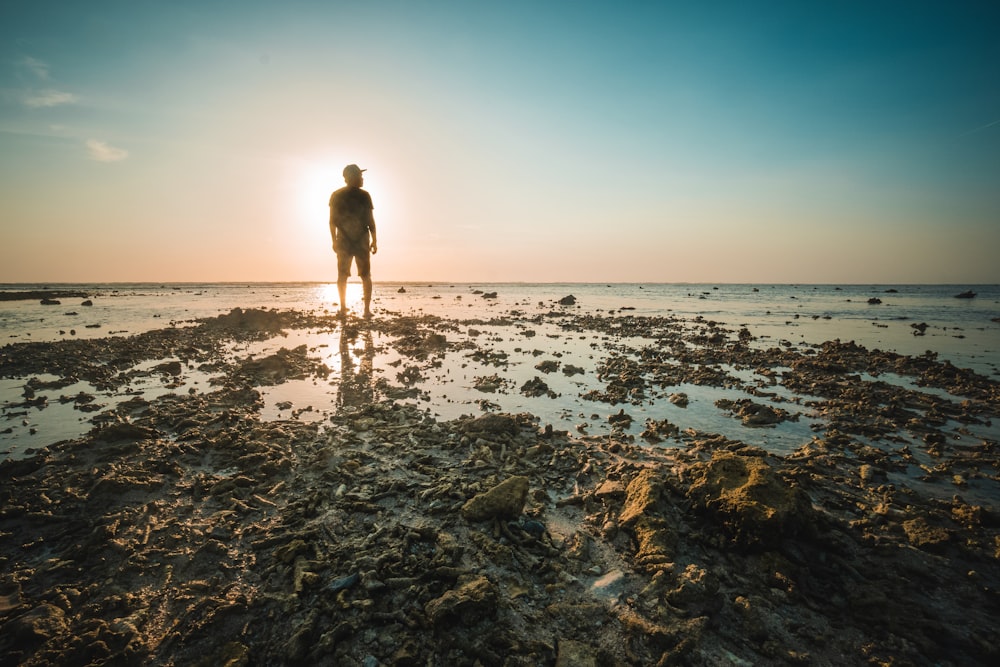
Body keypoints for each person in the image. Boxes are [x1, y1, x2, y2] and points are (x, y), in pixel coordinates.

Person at [329, 163, 378, 317]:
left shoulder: (336, 195)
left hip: (345, 240)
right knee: (365, 275)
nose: (362, 178)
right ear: (353, 177)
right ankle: (366, 310)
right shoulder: (364, 196)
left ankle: (344, 309)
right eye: (360, 176)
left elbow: (332, 221)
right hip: (359, 240)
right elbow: (370, 221)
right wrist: (374, 240)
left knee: (343, 275)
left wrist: (334, 240)